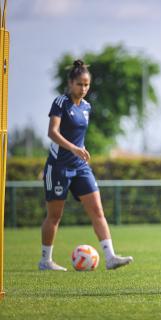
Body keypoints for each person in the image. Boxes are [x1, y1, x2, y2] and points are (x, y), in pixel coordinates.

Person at [39, 59, 133, 271]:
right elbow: (52, 132)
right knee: (54, 216)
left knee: (97, 210)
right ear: (70, 83)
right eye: (80, 84)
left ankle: (110, 257)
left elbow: (78, 135)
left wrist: (79, 151)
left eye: (87, 85)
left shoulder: (88, 107)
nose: (84, 88)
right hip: (59, 167)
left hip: (80, 168)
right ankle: (45, 260)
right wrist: (73, 148)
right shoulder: (60, 102)